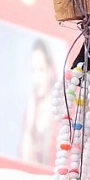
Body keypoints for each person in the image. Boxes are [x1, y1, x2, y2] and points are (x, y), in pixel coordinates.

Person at [19, 38, 57, 168]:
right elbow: (24, 162)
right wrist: (28, 128)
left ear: (50, 71)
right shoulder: (31, 109)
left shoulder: (62, 109)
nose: (37, 79)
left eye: (41, 70)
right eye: (33, 70)